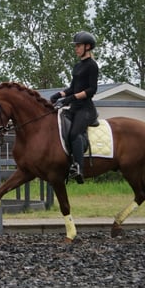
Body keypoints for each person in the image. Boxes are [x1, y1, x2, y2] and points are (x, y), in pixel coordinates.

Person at [50, 31, 99, 184]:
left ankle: (78, 168)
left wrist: (71, 98)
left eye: (78, 46)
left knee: (74, 133)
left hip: (86, 109)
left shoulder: (92, 66)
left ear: (88, 47)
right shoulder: (77, 66)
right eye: (76, 46)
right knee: (60, 130)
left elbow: (92, 90)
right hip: (74, 107)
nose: (76, 48)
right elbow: (73, 88)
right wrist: (59, 94)